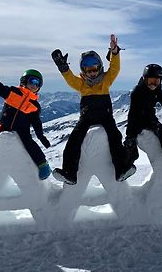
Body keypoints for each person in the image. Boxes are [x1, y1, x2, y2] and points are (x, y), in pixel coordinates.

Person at [51, 34, 134, 184]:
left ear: (100, 66)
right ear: (83, 71)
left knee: (115, 138)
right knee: (74, 141)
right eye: (88, 70)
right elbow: (70, 79)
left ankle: (121, 169)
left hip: (106, 117)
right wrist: (63, 68)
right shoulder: (81, 84)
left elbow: (115, 68)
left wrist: (115, 52)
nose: (92, 73)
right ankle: (70, 173)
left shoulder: (106, 80)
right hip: (87, 118)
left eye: (94, 69)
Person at [0, 60, 51, 180]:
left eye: (38, 84)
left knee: (29, 144)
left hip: (22, 128)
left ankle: (43, 165)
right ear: (24, 81)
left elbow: (36, 123)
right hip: (3, 125)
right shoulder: (12, 92)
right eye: (33, 81)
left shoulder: (34, 105)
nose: (35, 85)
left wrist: (41, 137)